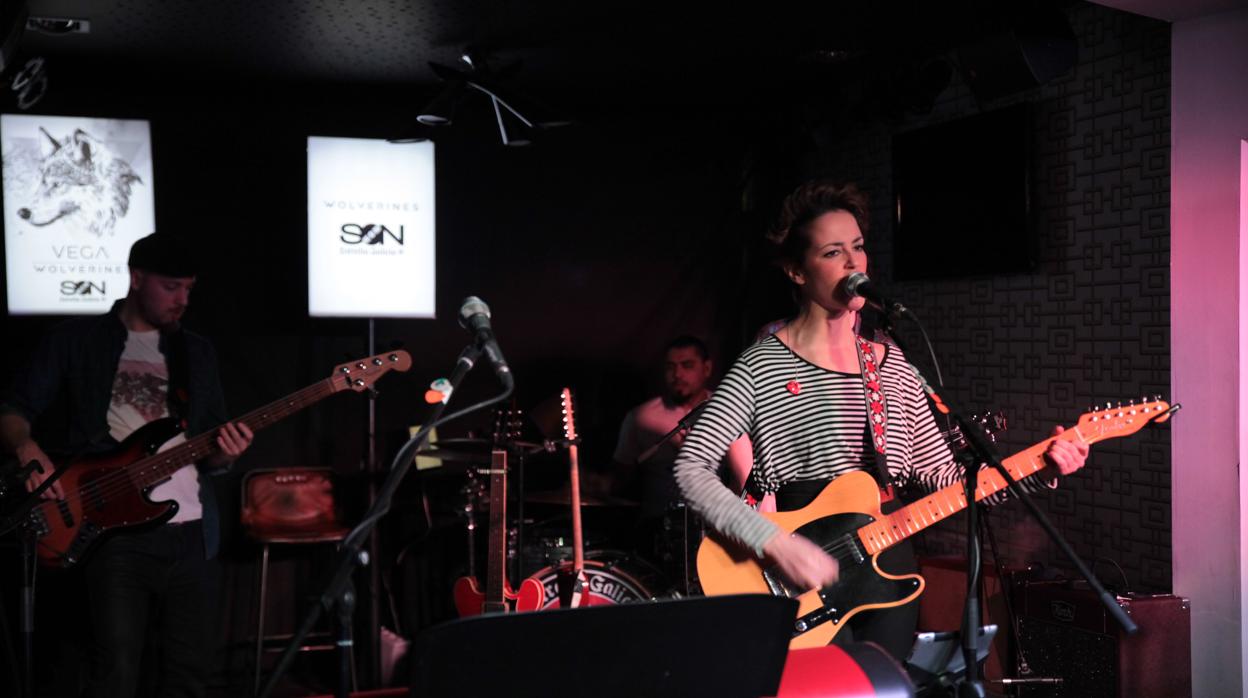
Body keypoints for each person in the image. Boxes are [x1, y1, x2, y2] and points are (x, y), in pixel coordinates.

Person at [673, 180, 1088, 660]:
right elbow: (690, 470)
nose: (853, 264)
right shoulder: (762, 364)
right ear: (796, 271)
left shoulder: (890, 364)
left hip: (888, 561)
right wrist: (774, 544)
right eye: (833, 252)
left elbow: (945, 478)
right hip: (798, 568)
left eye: (859, 247)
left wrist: (1042, 469)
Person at [0, 232, 254, 698]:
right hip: (113, 531)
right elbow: (13, 410)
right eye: (171, 287)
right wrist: (27, 449)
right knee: (114, 672)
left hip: (193, 531)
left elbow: (212, 445)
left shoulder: (196, 352)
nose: (183, 300)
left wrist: (228, 452)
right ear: (136, 278)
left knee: (190, 675)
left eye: (189, 289)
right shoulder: (76, 339)